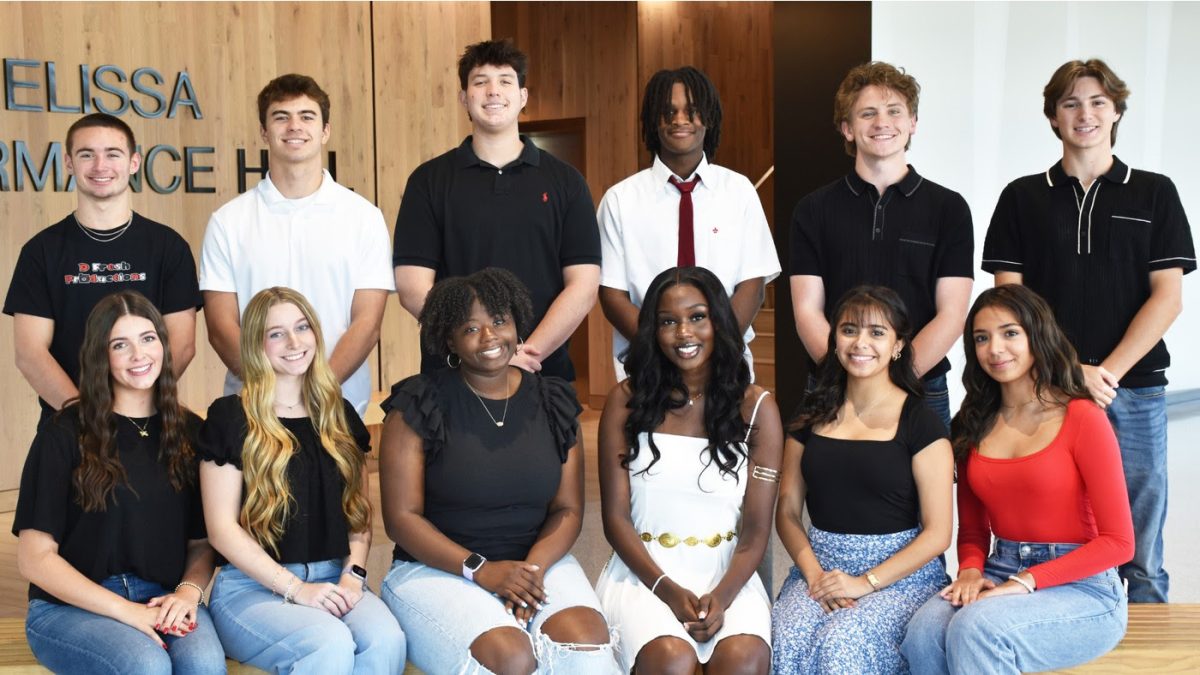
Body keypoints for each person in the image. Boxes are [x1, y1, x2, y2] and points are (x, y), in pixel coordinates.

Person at [981, 58, 1194, 603]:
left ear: (1117, 110)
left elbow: (1167, 298)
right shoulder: (1021, 198)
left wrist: (1108, 373)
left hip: (1135, 386)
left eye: (1098, 101)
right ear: (1053, 116)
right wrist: (1071, 370)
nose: (1085, 113)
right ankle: (1066, 622)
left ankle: (1145, 629)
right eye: (1071, 102)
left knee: (1140, 526)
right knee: (1058, 519)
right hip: (1045, 388)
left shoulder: (1155, 193)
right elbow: (1010, 306)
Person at [378, 267, 618, 675]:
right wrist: (483, 570)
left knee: (585, 641)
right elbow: (401, 520)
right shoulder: (418, 405)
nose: (490, 337)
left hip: (537, 562)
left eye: (499, 321)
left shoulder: (554, 401)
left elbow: (568, 510)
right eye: (471, 328)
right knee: (510, 656)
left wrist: (531, 572)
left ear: (517, 326)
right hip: (436, 568)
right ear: (449, 340)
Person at [901, 284, 1134, 674]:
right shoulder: (971, 426)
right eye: (981, 338)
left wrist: (1027, 580)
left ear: (1036, 336)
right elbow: (974, 531)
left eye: (1010, 333)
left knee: (978, 629)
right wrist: (972, 570)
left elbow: (1120, 543)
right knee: (924, 631)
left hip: (1085, 587)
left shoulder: (1082, 418)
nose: (995, 348)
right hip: (1000, 567)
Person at [14, 290, 223, 674]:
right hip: (69, 608)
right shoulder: (64, 432)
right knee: (146, 665)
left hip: (163, 598)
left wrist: (188, 593)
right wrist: (125, 611)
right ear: (100, 357)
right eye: (120, 345)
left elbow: (201, 544)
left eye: (147, 339)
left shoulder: (190, 431)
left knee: (205, 665)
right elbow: (34, 558)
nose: (139, 355)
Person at [199, 287, 405, 674]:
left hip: (334, 577)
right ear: (256, 344)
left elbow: (358, 516)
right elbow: (221, 530)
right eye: (276, 333)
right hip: (252, 589)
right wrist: (297, 590)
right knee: (327, 643)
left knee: (386, 640)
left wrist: (353, 576)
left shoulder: (339, 415)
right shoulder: (230, 417)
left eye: (302, 327)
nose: (294, 342)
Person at [596, 266, 781, 675]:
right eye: (668, 321)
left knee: (744, 660)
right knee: (671, 659)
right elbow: (614, 519)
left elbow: (755, 532)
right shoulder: (625, 401)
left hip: (728, 571)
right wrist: (667, 590)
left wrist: (724, 594)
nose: (684, 333)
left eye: (697, 317)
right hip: (644, 571)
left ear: (719, 321)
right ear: (652, 331)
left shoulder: (757, 409)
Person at [393, 39, 600, 382]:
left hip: (543, 371)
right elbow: (412, 287)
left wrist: (523, 354)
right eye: (480, 81)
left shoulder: (567, 181)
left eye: (505, 81)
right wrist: (482, 349)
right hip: (452, 376)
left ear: (522, 97)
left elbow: (583, 286)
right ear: (464, 98)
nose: (493, 91)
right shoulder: (428, 180)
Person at [772, 285, 953, 673]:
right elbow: (787, 510)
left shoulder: (921, 422)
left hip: (900, 575)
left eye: (877, 332)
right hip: (820, 566)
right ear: (835, 339)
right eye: (849, 329)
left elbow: (938, 534)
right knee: (786, 637)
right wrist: (815, 574)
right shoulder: (811, 413)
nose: (861, 343)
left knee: (842, 644)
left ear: (898, 345)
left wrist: (864, 582)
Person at [790, 61, 973, 428]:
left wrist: (891, 382)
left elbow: (951, 313)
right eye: (867, 113)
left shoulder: (949, 208)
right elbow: (808, 310)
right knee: (824, 487)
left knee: (926, 487)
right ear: (847, 129)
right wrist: (850, 378)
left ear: (912, 124)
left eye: (894, 112)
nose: (882, 123)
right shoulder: (813, 209)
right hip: (833, 385)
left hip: (921, 385)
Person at [200, 74, 393, 417]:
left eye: (307, 116)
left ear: (325, 131)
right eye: (280, 117)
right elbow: (220, 326)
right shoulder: (228, 222)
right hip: (254, 408)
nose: (294, 126)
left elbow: (367, 322)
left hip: (338, 401)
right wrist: (271, 393)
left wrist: (318, 392)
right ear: (264, 132)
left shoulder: (364, 217)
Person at [5, 113, 201, 428]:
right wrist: (84, 418)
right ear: (68, 163)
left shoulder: (168, 247)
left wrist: (135, 409)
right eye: (86, 154)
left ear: (134, 162)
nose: (100, 165)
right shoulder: (41, 251)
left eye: (113, 153)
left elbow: (182, 343)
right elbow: (30, 353)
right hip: (69, 424)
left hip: (150, 423)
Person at [598, 66, 780, 380]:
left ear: (708, 117)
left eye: (692, 111)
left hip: (727, 366)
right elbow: (612, 295)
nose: (680, 120)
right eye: (668, 111)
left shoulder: (739, 191)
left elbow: (753, 285)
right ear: (654, 120)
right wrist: (662, 346)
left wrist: (716, 348)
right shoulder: (619, 200)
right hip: (647, 368)